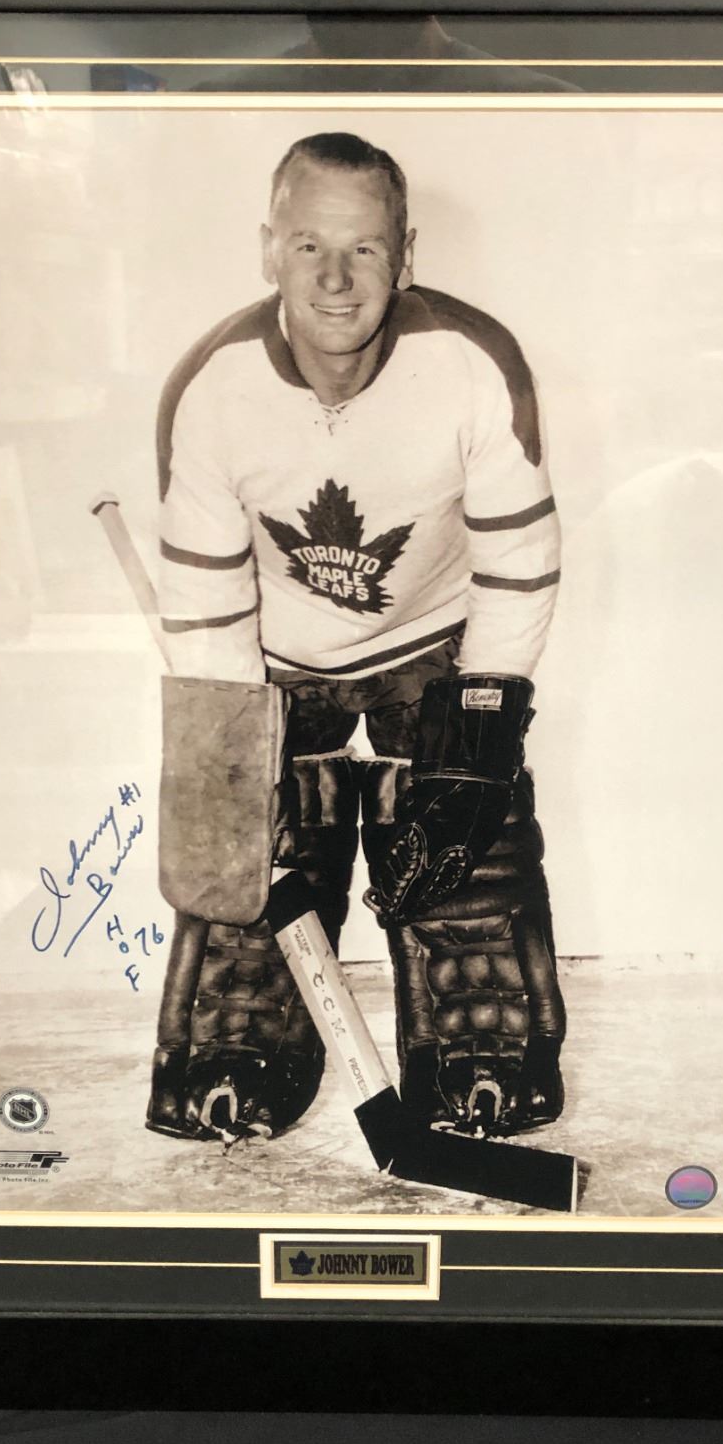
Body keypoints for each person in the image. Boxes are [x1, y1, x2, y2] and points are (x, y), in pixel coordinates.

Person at [147, 130, 567, 1147]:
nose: (335, 280)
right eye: (309, 247)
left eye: (365, 249)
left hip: (431, 644)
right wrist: (240, 770)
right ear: (268, 248)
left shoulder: (474, 364)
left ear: (405, 255)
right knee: (253, 865)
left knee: (466, 855)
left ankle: (478, 1054)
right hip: (274, 661)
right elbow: (205, 603)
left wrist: (477, 736)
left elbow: (519, 563)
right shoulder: (211, 389)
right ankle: (241, 1043)